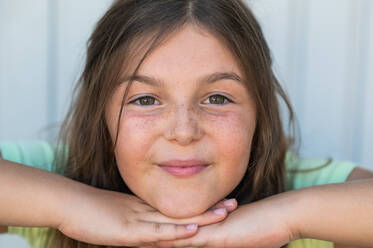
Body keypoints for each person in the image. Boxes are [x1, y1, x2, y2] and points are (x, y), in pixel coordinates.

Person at [0, 0, 372, 247]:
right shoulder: (60, 176)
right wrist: (72, 205)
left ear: (260, 111)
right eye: (145, 100)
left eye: (217, 98)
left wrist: (285, 218)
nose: (182, 132)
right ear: (101, 115)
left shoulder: (298, 191)